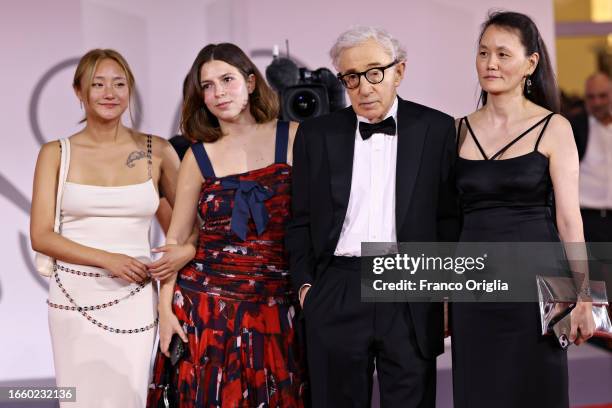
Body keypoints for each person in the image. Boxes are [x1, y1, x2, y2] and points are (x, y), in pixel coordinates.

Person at [287, 26, 459, 407]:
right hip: (338, 286)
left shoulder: (437, 128)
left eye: (374, 72)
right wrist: (306, 289)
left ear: (400, 71)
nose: (364, 87)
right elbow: (299, 219)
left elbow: (448, 219)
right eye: (351, 77)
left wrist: (445, 293)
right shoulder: (316, 134)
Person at [147, 43, 306, 407]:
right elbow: (177, 239)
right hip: (207, 308)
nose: (218, 93)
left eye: (227, 80)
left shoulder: (293, 136)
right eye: (207, 85)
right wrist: (165, 313)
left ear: (251, 83)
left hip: (275, 308)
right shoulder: (197, 155)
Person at [452, 11, 595, 407]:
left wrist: (586, 298)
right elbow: (449, 221)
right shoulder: (457, 130)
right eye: (483, 53)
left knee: (537, 392)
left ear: (530, 63)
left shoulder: (555, 128)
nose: (490, 63)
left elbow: (569, 220)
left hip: (538, 290)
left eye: (502, 54)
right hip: (474, 289)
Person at [30, 49, 181, 407]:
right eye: (98, 84)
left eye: (119, 83)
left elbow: (182, 232)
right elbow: (41, 235)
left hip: (135, 298)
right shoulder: (56, 152)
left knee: (129, 396)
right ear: (78, 91)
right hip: (72, 297)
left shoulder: (156, 150)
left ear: (130, 91)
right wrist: (108, 260)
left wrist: (166, 295)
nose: (109, 93)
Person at [569, 72, 612, 245]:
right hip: (587, 220)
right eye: (591, 97)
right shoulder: (573, 126)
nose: (597, 102)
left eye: (602, 96)